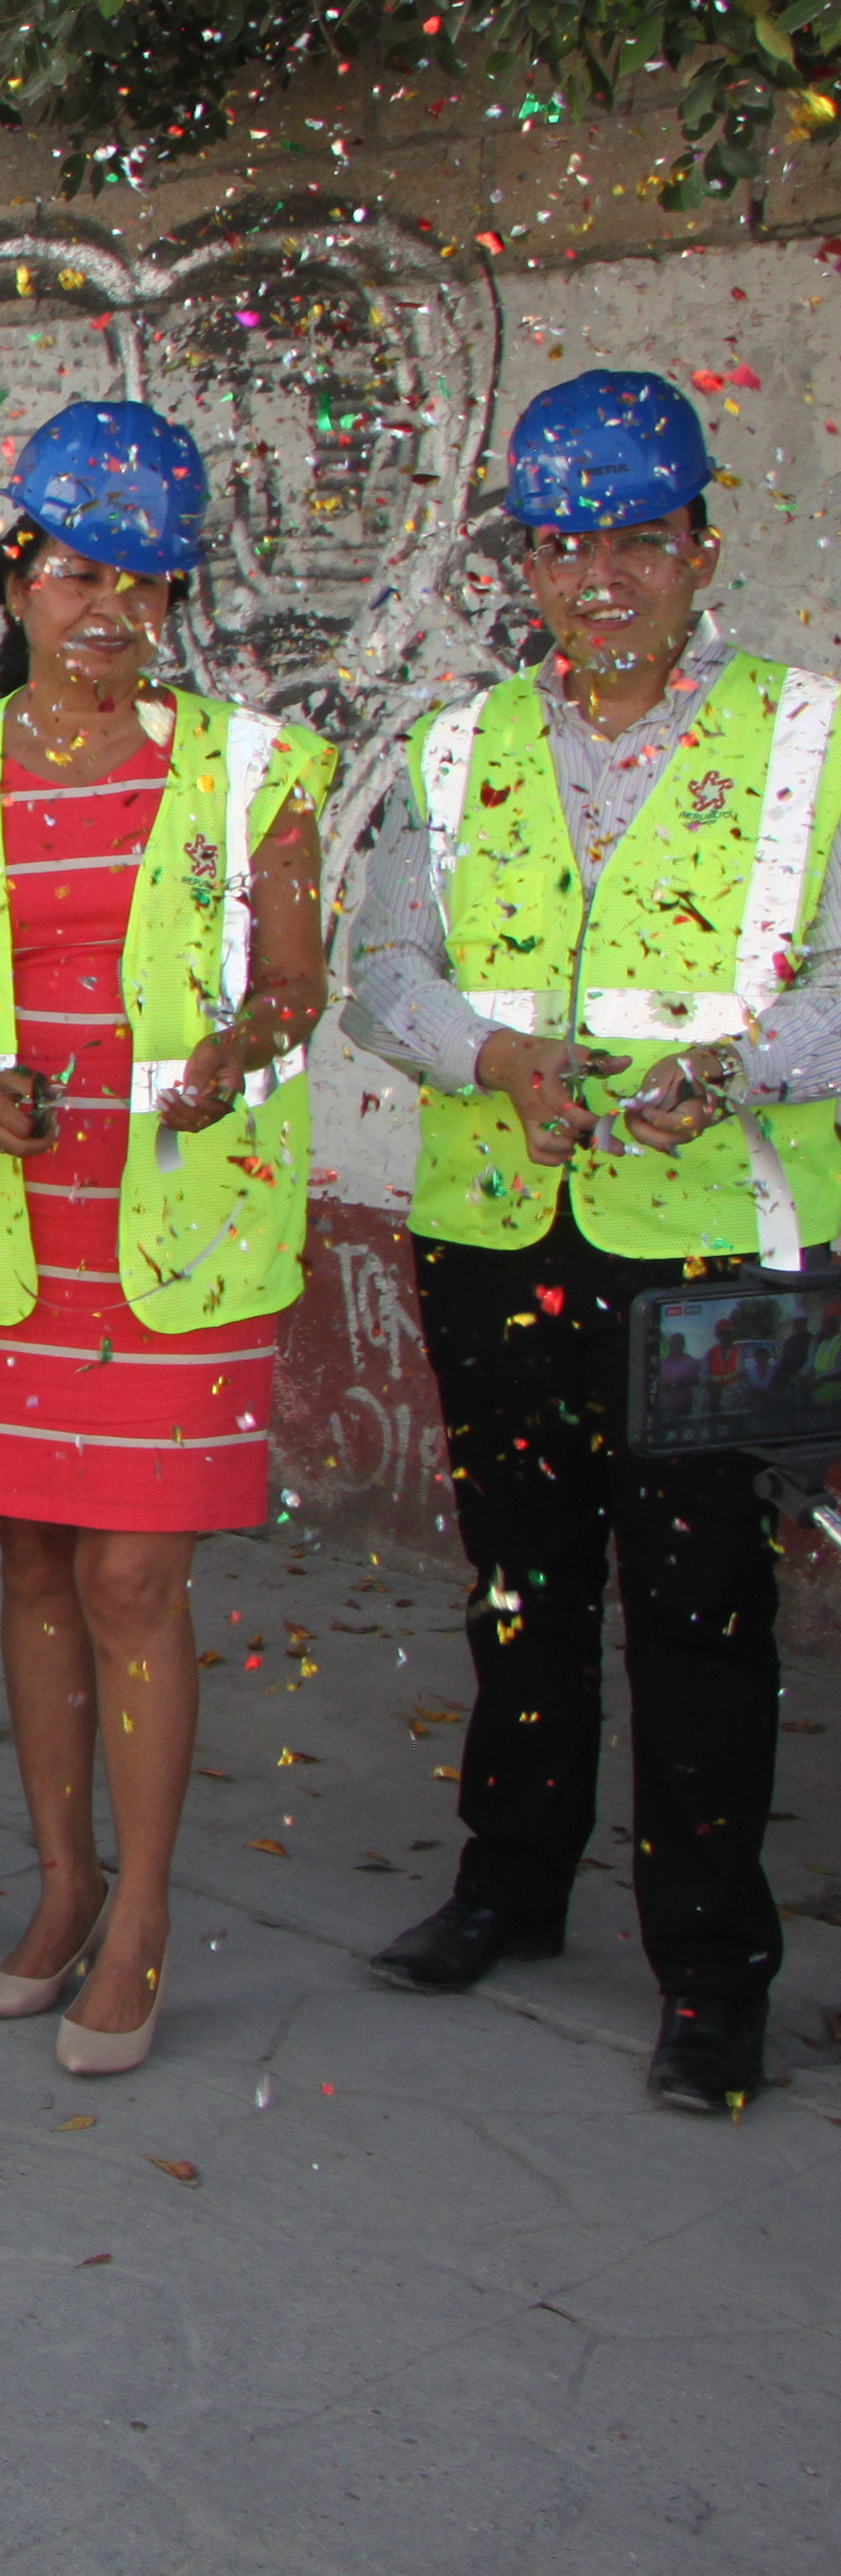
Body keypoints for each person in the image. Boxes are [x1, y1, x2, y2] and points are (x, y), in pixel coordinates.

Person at [338, 369, 832, 2117]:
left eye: (636, 540)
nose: (599, 577)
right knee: (520, 1581)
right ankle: (511, 1887)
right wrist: (495, 1058)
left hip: (728, 1249)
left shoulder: (810, 736)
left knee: (704, 1611)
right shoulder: (461, 748)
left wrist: (741, 1067)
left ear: (701, 549)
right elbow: (379, 970)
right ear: (523, 569)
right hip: (500, 1227)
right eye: (563, 546)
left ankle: (712, 1974)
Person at [0, 403, 334, 2080]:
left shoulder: (256, 765)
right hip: (5, 1216)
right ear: (11, 578)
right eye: (69, 569)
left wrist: (244, 1047)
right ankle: (58, 1885)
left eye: (138, 578)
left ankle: (139, 1911)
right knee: (30, 1560)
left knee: (137, 1572)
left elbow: (294, 981)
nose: (101, 608)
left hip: (179, 1225)